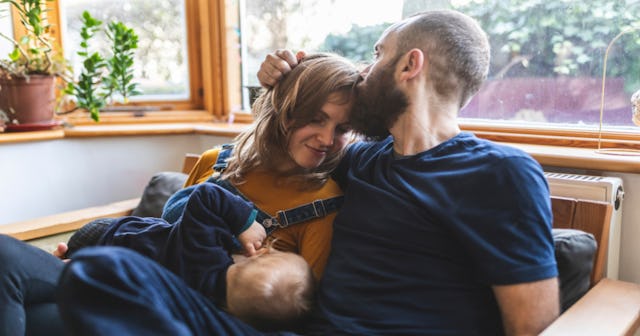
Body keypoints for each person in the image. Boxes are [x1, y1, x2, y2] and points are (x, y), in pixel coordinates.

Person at [57, 10, 559, 335]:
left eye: (377, 56)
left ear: (410, 66)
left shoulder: (501, 173)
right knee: (104, 272)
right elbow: (274, 152)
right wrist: (286, 80)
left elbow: (534, 328)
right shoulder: (357, 161)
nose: (365, 71)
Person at [0, 52, 358, 336]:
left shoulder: (322, 209)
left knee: (41, 310)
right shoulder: (217, 162)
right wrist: (108, 252)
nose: (327, 139)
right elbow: (170, 236)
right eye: (316, 118)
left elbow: (297, 313)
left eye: (342, 127)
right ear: (285, 110)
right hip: (125, 269)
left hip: (172, 313)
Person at [60, 181, 315, 333]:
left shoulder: (205, 253)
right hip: (131, 255)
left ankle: (63, 259)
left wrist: (245, 223)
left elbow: (206, 194)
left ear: (259, 254)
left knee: (76, 247)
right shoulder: (210, 305)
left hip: (113, 235)